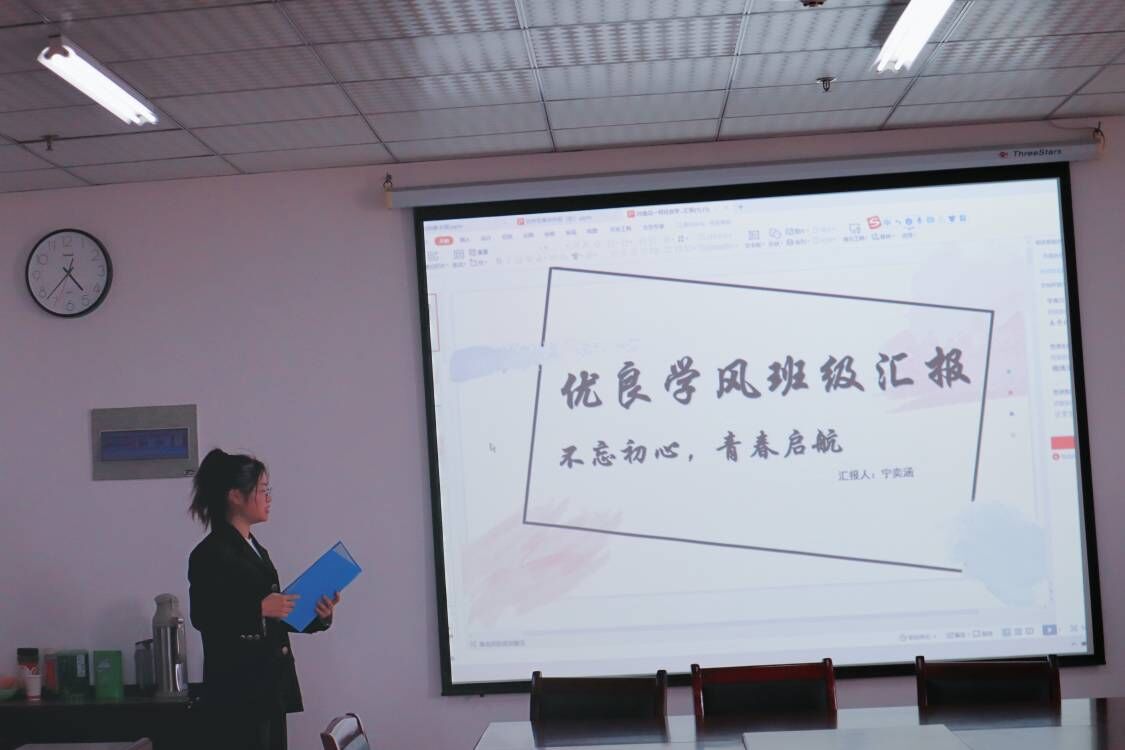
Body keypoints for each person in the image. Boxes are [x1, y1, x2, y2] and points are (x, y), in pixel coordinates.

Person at [188, 448, 341, 750]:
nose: (268, 498)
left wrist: (318, 615)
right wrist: (258, 608)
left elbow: (275, 614)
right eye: (262, 490)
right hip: (238, 693)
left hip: (269, 688)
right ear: (235, 496)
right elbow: (204, 615)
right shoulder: (210, 553)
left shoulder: (256, 549)